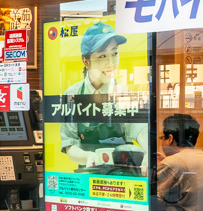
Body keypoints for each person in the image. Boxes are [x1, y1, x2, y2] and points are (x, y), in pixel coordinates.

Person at [58, 21, 148, 175]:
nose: (111, 63)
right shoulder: (72, 95)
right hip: (89, 174)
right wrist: (87, 156)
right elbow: (69, 144)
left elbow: (140, 130)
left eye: (115, 53)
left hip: (122, 176)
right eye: (102, 56)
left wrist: (147, 152)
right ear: (86, 61)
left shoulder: (123, 92)